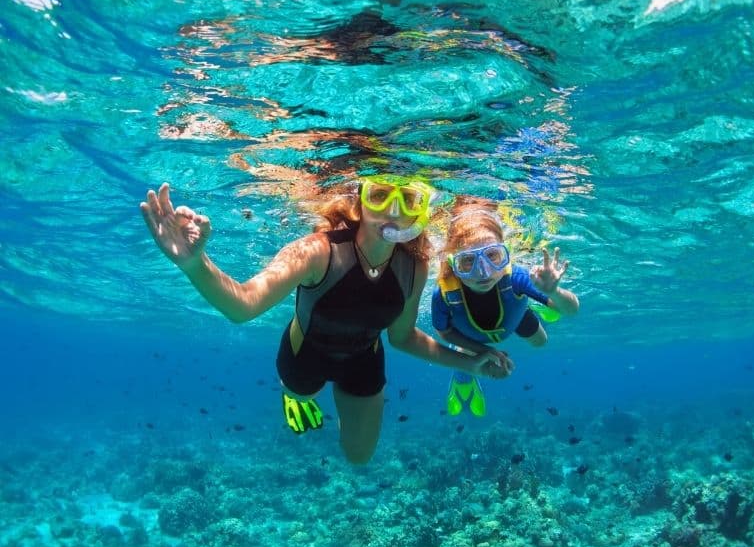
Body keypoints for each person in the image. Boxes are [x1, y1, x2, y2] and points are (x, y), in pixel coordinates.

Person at [140, 178, 510, 464]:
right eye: (380, 195)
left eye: (408, 200)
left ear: (419, 211)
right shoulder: (318, 251)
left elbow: (402, 338)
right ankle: (295, 397)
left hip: (365, 359)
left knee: (359, 457)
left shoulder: (414, 265)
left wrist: (471, 362)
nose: (393, 211)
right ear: (360, 201)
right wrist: (194, 263)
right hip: (306, 354)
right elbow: (243, 305)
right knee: (301, 393)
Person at [432, 199, 580, 417]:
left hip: (515, 316)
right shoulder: (444, 293)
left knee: (541, 342)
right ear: (453, 263)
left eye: (492, 256)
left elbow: (572, 310)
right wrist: (486, 352)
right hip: (471, 337)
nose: (483, 272)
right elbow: (443, 332)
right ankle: (463, 382)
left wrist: (553, 292)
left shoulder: (517, 277)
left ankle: (539, 302)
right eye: (468, 261)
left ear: (506, 254)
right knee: (466, 358)